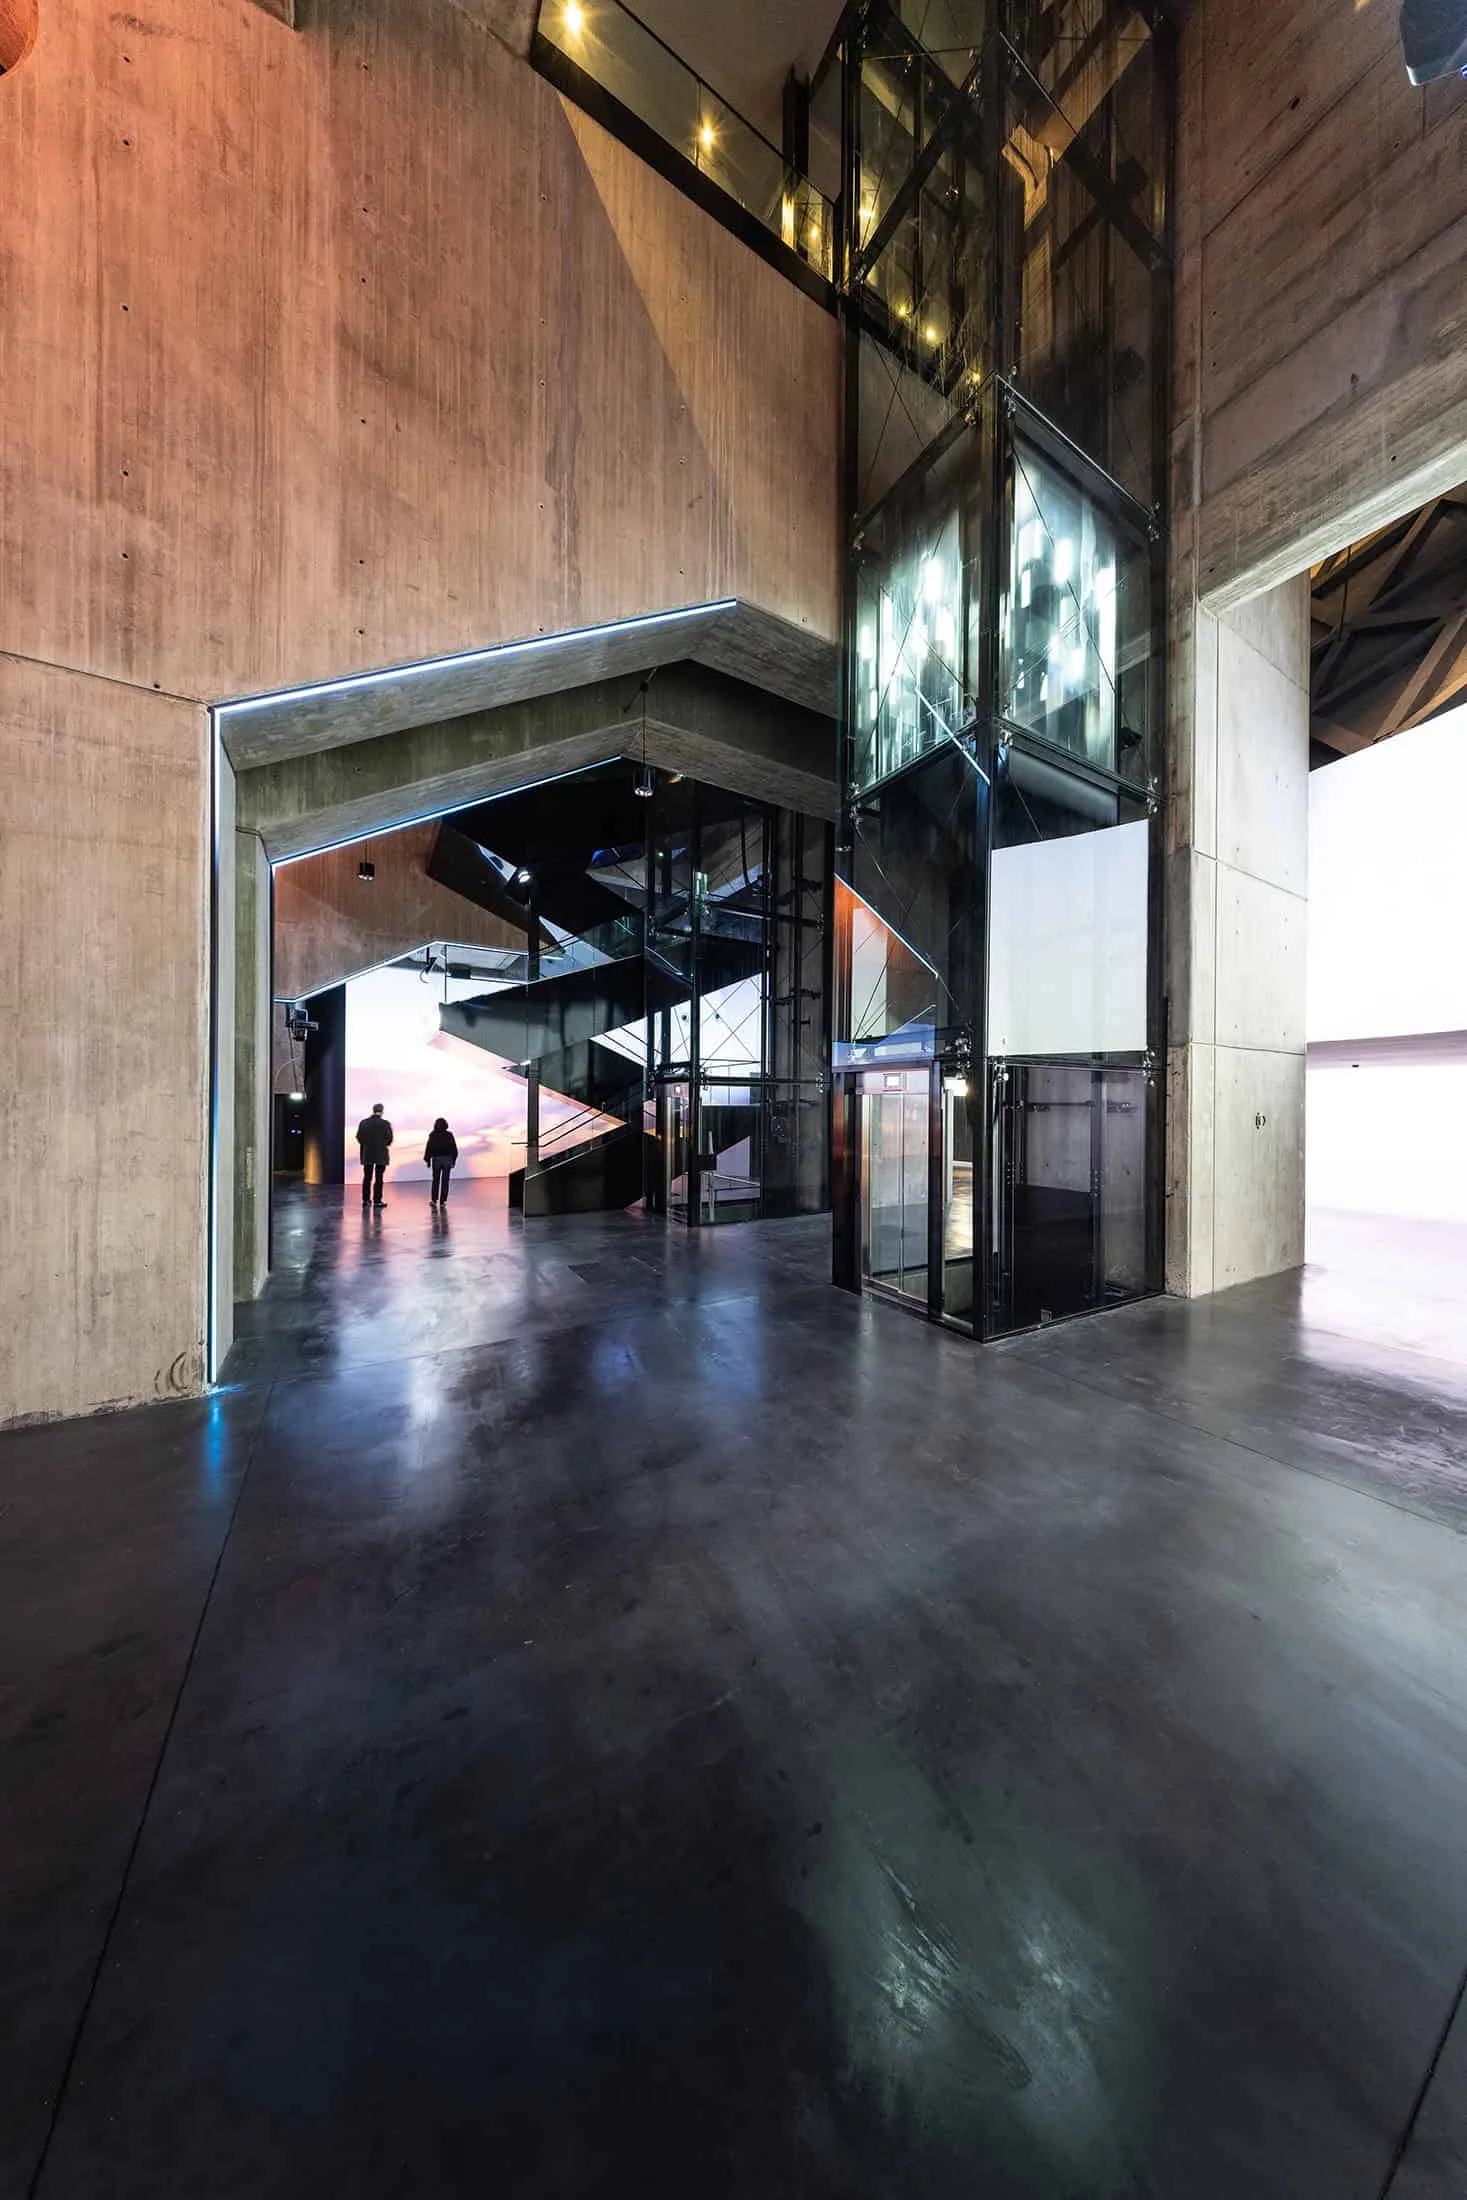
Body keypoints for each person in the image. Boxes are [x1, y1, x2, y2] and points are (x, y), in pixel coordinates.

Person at [356, 1102, 393, 1207]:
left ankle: (366, 1200)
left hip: (367, 1154)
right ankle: (377, 1200)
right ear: (382, 1111)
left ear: (373, 1110)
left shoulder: (364, 1123)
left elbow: (359, 1137)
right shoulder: (385, 1124)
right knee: (379, 1178)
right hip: (381, 1155)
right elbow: (389, 1140)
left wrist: (366, 1145)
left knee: (367, 1177)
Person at [424, 1117, 458, 1207]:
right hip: (447, 1159)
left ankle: (434, 1200)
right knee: (445, 1181)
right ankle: (443, 1202)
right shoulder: (449, 1135)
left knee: (435, 1180)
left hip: (436, 1159)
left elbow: (429, 1148)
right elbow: (454, 1148)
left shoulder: (433, 1135)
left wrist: (427, 1160)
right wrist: (453, 1160)